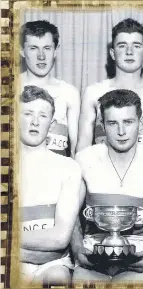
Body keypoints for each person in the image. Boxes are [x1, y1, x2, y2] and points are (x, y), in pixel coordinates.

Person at [72, 89, 143, 283]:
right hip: (93, 257)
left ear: (141, 124)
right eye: (112, 123)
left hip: (139, 258)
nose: (121, 131)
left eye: (128, 122)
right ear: (102, 126)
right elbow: (71, 214)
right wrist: (77, 250)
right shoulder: (85, 158)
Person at [76, 18, 143, 169]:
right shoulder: (94, 93)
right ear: (112, 53)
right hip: (104, 180)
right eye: (122, 46)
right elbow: (83, 146)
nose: (129, 52)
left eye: (136, 46)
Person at [20, 85, 82, 285]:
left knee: (58, 280)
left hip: (54, 264)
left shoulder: (69, 168)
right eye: (27, 113)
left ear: (52, 123)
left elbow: (60, 239)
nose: (35, 122)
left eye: (43, 115)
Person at [20, 20, 80, 157]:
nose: (41, 56)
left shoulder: (69, 92)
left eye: (47, 48)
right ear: (22, 51)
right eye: (33, 48)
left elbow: (75, 148)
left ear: (55, 50)